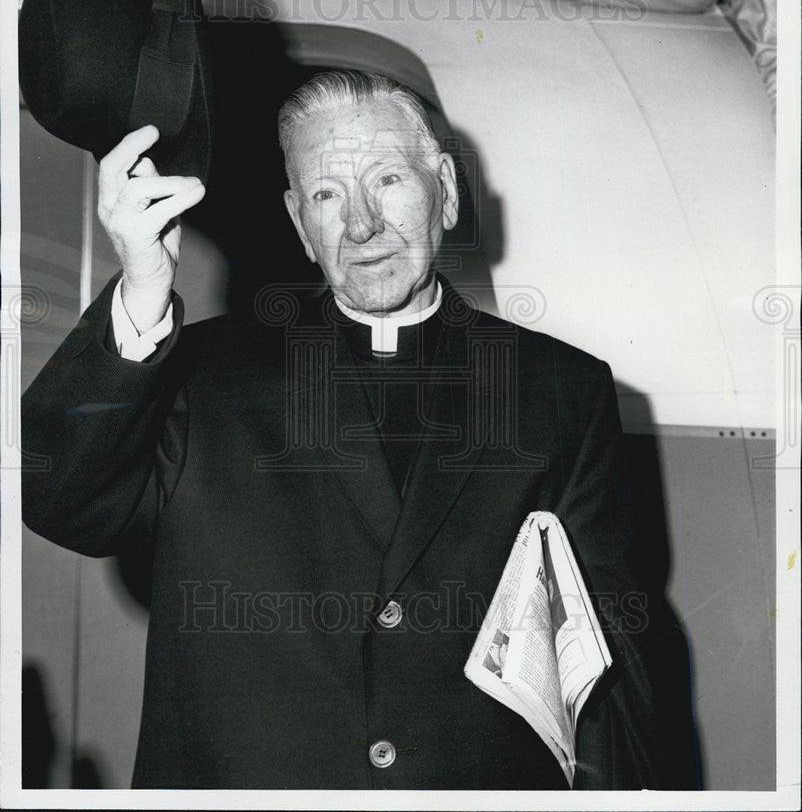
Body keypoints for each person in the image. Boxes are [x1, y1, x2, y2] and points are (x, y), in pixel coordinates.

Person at [22, 71, 698, 790]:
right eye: (326, 194)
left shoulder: (563, 390)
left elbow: (606, 671)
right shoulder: (195, 374)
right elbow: (60, 498)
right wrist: (142, 287)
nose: (362, 224)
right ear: (298, 224)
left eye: (387, 180)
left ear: (447, 190)